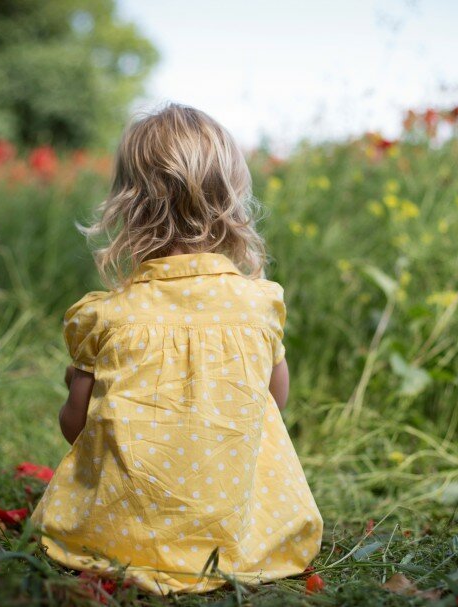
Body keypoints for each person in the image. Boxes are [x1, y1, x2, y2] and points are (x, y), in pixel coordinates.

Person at [29, 103, 323, 595]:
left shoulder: (105, 317)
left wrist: (78, 389)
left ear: (128, 205)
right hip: (239, 541)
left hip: (119, 540)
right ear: (232, 200)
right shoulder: (260, 303)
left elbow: (75, 425)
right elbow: (275, 400)